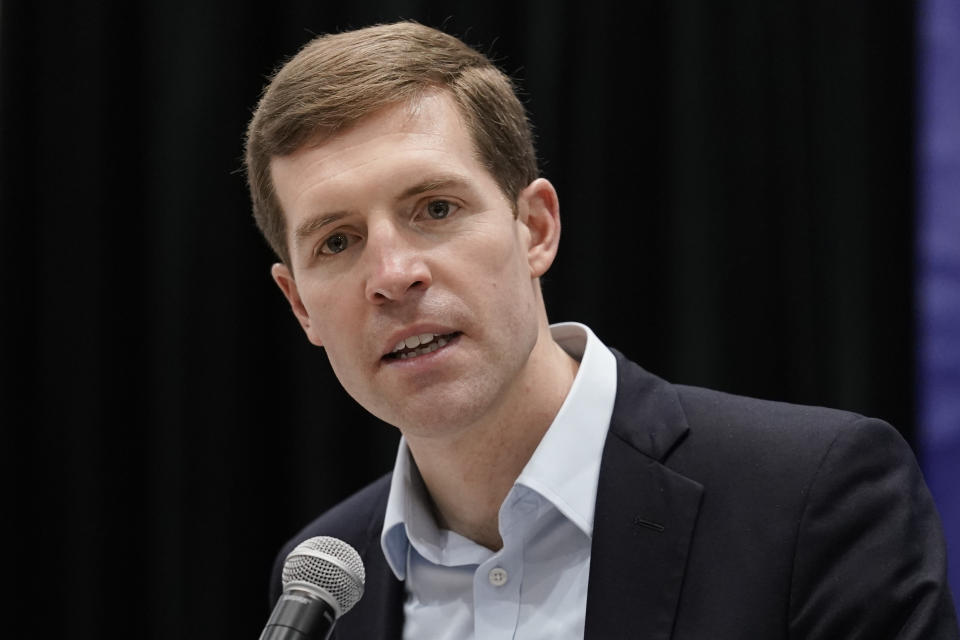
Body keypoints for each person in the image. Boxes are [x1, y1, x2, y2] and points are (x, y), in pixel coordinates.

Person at [245, 21, 959, 639]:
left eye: (434, 209)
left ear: (535, 228)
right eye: (336, 242)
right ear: (301, 305)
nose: (392, 275)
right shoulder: (321, 582)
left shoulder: (811, 497)